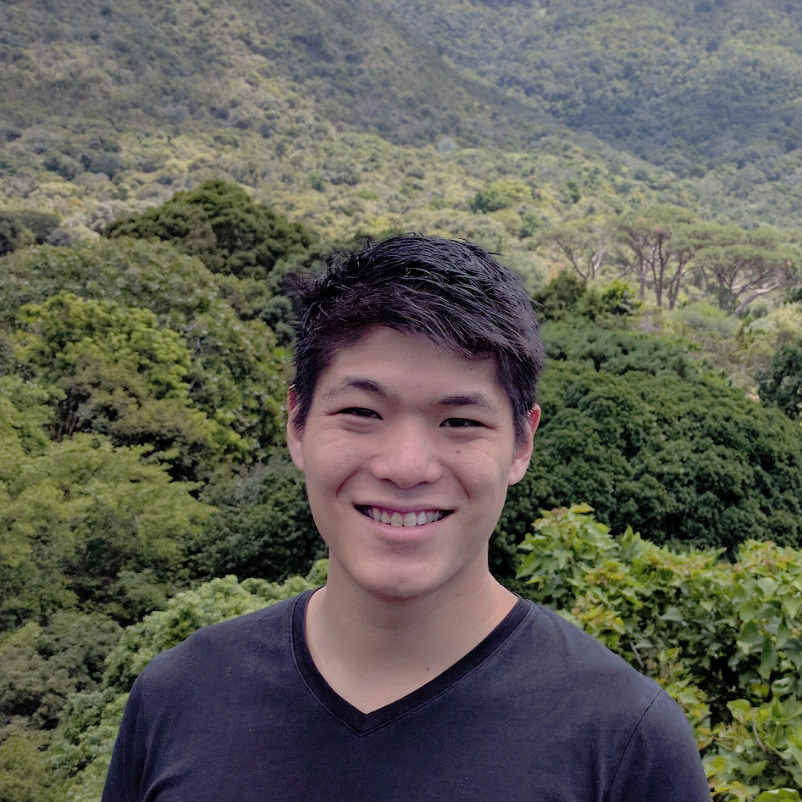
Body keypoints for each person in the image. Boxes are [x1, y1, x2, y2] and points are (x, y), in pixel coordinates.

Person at [102, 235, 710, 800]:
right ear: (297, 425)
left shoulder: (625, 742)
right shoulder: (179, 698)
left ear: (521, 444)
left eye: (460, 422)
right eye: (363, 412)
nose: (406, 466)